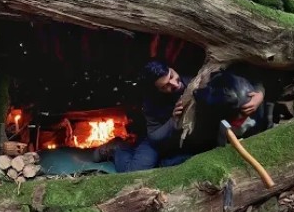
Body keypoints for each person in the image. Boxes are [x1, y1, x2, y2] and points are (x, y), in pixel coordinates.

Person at [93, 59, 266, 172]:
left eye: (172, 76)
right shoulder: (151, 102)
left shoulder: (194, 78)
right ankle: (117, 149)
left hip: (187, 143)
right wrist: (172, 120)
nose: (175, 84)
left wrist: (259, 94)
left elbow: (241, 79)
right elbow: (154, 136)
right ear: (157, 90)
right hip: (159, 142)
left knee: (173, 168)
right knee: (135, 172)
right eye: (166, 86)